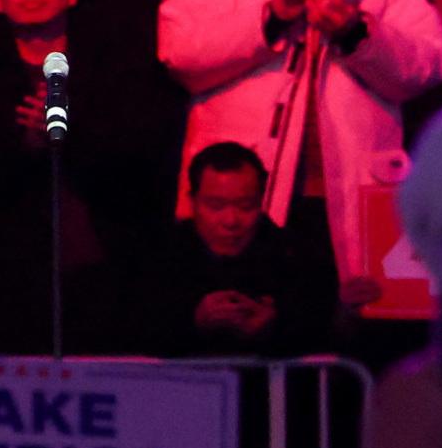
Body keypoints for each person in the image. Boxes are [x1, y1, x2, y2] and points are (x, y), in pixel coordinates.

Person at [158, 0, 442, 291]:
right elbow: (178, 52)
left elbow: (432, 62)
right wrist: (269, 22)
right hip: (243, 194)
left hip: (348, 192)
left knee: (338, 332)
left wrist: (358, 34)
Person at [135, 140, 338, 357]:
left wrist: (275, 326)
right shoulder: (161, 254)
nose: (231, 220)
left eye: (245, 206)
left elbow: (321, 333)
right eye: (215, 206)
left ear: (261, 202)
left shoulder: (292, 254)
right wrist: (193, 320)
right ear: (193, 201)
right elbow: (133, 329)